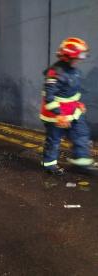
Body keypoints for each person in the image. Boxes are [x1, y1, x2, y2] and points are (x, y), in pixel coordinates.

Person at [40, 37, 97, 175]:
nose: (81, 60)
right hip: (57, 116)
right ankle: (49, 165)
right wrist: (58, 114)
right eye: (79, 56)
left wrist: (78, 103)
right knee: (54, 140)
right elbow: (49, 97)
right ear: (68, 56)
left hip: (73, 112)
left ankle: (81, 163)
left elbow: (71, 92)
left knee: (81, 135)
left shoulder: (74, 70)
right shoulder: (55, 73)